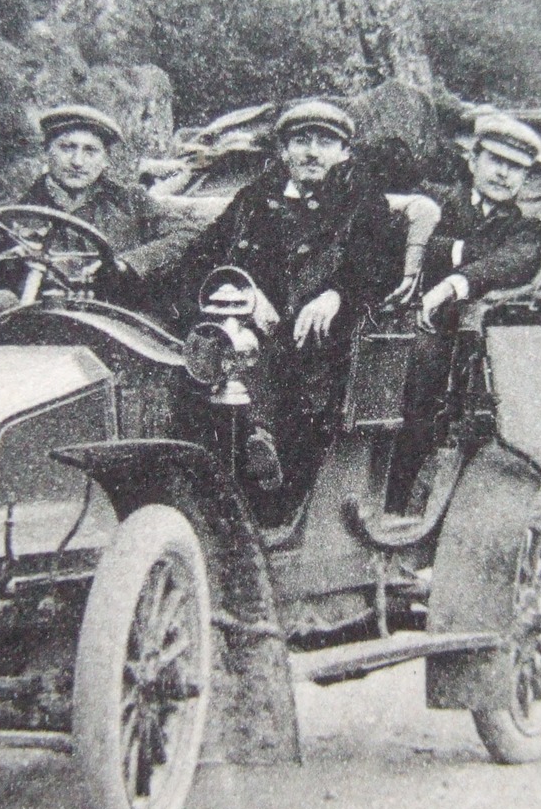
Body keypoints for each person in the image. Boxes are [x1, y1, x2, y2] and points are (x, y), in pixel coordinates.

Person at [162, 99, 439, 510]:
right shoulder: (254, 199)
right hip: (247, 325)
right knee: (198, 353)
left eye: (325, 142)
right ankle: (204, 473)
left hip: (325, 339)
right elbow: (205, 255)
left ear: (345, 152)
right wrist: (231, 290)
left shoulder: (362, 200)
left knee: (290, 359)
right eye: (301, 141)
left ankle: (262, 448)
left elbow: (382, 262)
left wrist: (338, 294)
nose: (312, 151)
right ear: (284, 151)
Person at [386, 113, 541, 510]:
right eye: (497, 161)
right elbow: (395, 238)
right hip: (392, 315)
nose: (504, 174)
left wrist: (450, 282)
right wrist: (463, 253)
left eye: (516, 168)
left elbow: (512, 263)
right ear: (474, 160)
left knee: (423, 377)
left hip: (451, 340)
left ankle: (400, 503)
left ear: (525, 178)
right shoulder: (429, 197)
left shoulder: (526, 231)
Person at [0, 105, 160, 318]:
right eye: (67, 147)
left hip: (114, 325)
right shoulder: (15, 214)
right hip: (40, 328)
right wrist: (3, 257)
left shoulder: (131, 201)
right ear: (47, 151)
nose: (77, 162)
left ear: (105, 160)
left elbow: (185, 233)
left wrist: (128, 263)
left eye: (90, 150)